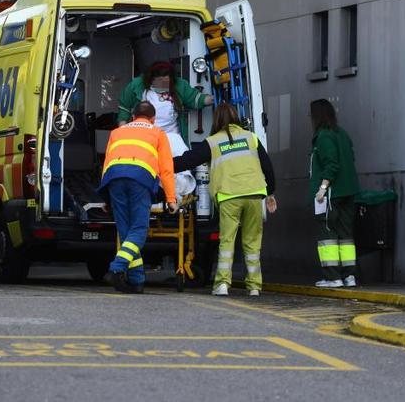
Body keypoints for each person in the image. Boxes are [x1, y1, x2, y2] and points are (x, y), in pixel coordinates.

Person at [173, 104, 276, 296]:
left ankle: (222, 284)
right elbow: (267, 167)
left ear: (216, 120)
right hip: (254, 194)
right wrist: (270, 192)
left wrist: (162, 166)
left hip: (229, 196)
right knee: (252, 243)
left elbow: (187, 160)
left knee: (227, 241)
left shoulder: (212, 142)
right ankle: (254, 287)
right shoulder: (251, 137)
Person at [99, 101, 178, 294]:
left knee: (126, 234)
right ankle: (116, 268)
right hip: (140, 179)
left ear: (133, 117)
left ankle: (137, 281)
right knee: (139, 231)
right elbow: (167, 169)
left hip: (114, 178)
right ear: (153, 119)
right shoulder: (157, 133)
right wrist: (171, 199)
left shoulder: (117, 132)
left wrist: (105, 197)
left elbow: (106, 161)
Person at [309, 99, 361, 288]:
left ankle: (333, 277)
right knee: (346, 236)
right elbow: (349, 159)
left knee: (327, 235)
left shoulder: (323, 136)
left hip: (331, 195)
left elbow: (332, 164)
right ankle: (349, 276)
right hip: (349, 191)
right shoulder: (342, 134)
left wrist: (322, 189)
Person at [117, 61, 213, 142]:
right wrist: (123, 132)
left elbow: (196, 99)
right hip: (143, 137)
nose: (163, 84)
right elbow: (124, 108)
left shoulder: (180, 85)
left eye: (166, 81)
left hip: (171, 137)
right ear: (151, 79)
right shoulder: (136, 85)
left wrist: (213, 99)